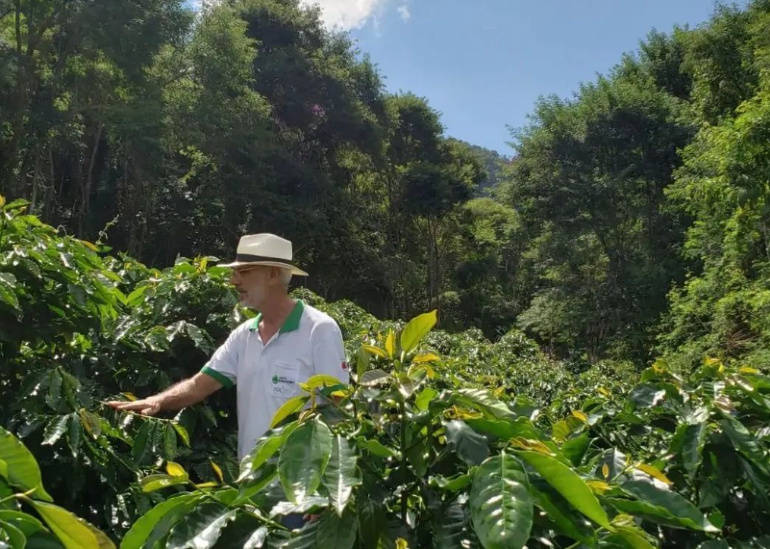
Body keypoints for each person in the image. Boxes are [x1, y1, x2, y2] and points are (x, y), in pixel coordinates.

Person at [107, 233, 349, 461]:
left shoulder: (319, 330)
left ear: (273, 275)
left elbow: (337, 407)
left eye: (243, 272)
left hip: (301, 486)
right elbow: (199, 385)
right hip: (251, 481)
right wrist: (157, 401)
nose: (234, 281)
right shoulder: (244, 335)